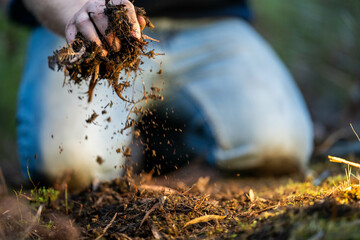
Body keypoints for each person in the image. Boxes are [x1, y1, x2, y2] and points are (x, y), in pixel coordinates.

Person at [8, 0, 314, 189]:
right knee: (70, 171)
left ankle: (166, 140)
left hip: (210, 20)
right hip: (89, 29)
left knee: (279, 147)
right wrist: (71, 11)